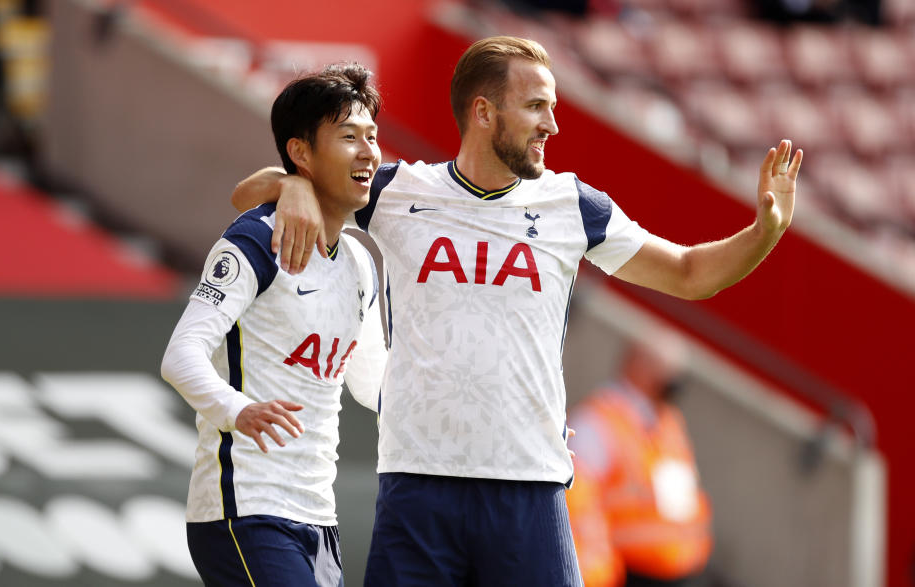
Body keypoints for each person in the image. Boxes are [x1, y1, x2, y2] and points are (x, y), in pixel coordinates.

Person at [231, 36, 801, 586]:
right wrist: (296, 187)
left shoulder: (574, 206)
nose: (551, 125)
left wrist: (764, 232)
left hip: (528, 486)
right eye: (535, 107)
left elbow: (688, 274)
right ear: (483, 111)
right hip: (418, 485)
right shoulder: (397, 192)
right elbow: (247, 195)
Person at [160, 63, 388, 587]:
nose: (367, 152)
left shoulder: (358, 261)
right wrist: (238, 410)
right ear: (301, 151)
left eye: (372, 137)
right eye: (348, 136)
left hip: (318, 516)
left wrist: (492, 412)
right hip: (245, 506)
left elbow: (374, 384)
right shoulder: (256, 240)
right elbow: (181, 355)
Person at [567, 328, 711, 587]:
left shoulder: (669, 422)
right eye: (665, 367)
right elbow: (578, 509)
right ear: (637, 363)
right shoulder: (598, 421)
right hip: (629, 572)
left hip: (684, 570)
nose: (673, 379)